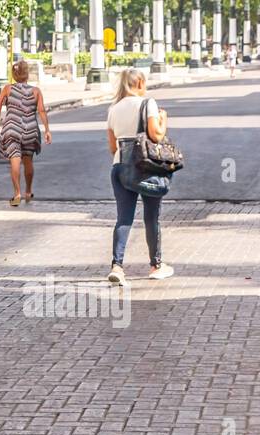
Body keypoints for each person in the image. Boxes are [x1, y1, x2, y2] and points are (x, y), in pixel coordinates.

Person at [106, 68, 173, 284]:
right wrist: (163, 119)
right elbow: (156, 134)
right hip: (145, 167)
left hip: (119, 165)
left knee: (124, 218)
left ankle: (117, 265)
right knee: (151, 217)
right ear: (140, 83)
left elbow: (111, 145)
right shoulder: (148, 103)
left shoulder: (113, 108)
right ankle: (156, 265)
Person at [0, 60, 52, 206]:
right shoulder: (36, 91)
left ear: (14, 75)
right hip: (30, 129)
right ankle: (28, 191)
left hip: (12, 128)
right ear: (27, 75)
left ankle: (17, 194)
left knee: (15, 160)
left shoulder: (7, 89)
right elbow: (42, 111)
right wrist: (47, 130)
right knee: (28, 161)